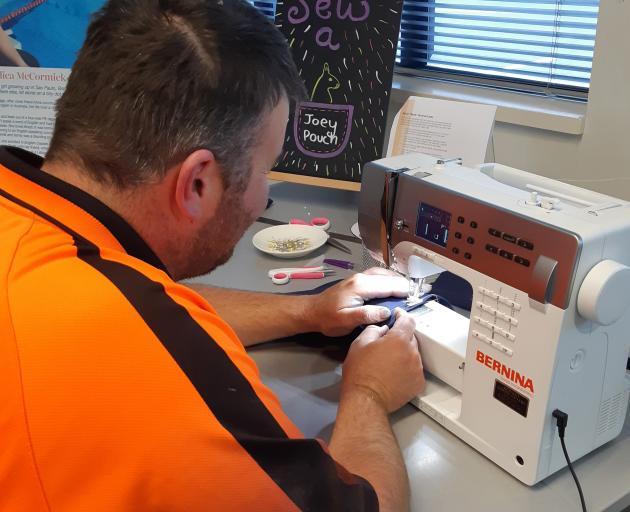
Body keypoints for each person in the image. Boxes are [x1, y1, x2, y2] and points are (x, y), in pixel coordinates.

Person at [0, 0, 425, 510]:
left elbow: (131, 297)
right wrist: (370, 394)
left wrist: (306, 311)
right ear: (198, 182)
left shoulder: (29, 216)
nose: (262, 198)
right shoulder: (155, 371)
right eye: (265, 172)